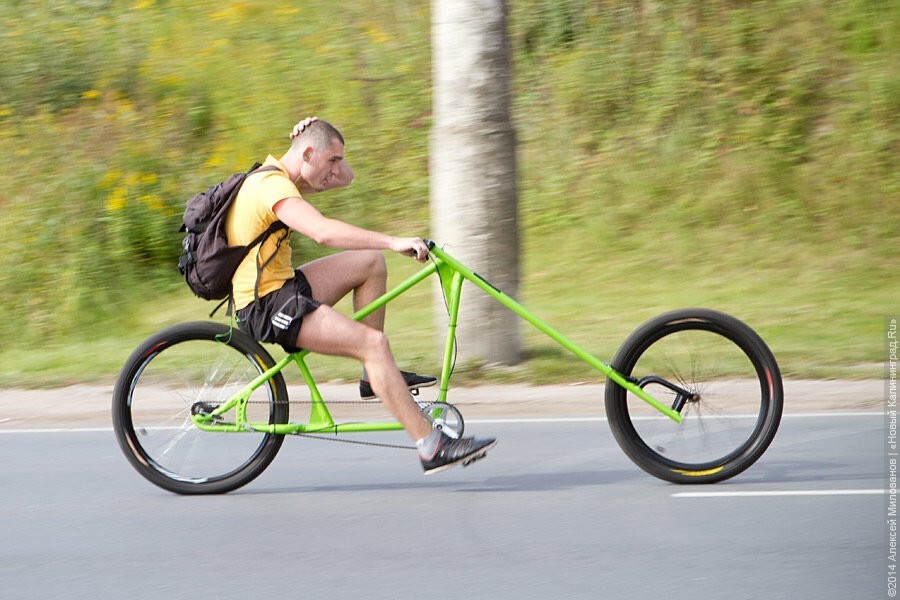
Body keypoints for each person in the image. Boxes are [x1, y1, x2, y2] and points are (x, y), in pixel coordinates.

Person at [224, 116, 496, 474]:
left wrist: (319, 137)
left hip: (283, 285)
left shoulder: (282, 174)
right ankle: (431, 446)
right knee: (373, 343)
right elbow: (322, 232)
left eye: (337, 160)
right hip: (267, 304)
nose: (337, 170)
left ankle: (373, 378)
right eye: (331, 161)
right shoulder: (272, 187)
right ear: (306, 154)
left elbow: (346, 179)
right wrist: (394, 241)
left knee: (370, 263)